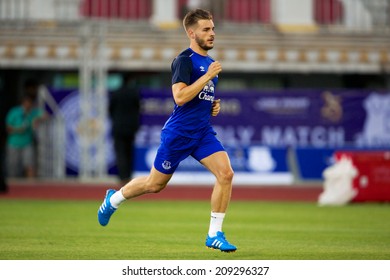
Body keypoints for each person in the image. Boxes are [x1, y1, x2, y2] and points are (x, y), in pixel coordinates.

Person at [98, 9, 237, 252]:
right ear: (191, 33)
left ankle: (214, 234)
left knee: (226, 174)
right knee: (154, 185)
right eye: (206, 29)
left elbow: (198, 97)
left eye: (213, 28)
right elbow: (180, 96)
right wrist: (208, 79)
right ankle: (114, 198)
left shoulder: (209, 64)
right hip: (179, 133)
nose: (212, 33)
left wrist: (212, 105)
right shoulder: (184, 60)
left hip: (202, 132)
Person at [109, 74, 141, 186]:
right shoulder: (134, 93)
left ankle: (122, 177)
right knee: (129, 152)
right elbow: (138, 109)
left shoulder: (116, 93)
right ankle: (128, 176)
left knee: (120, 153)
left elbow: (110, 110)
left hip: (118, 127)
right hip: (131, 127)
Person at [5, 94, 44, 178]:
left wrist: (36, 119)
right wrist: (18, 129)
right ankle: (14, 187)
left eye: (30, 103)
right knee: (13, 168)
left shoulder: (33, 112)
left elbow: (45, 116)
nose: (29, 105)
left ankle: (31, 187)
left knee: (29, 165)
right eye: (27, 103)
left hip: (27, 143)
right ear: (23, 103)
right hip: (13, 143)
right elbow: (8, 128)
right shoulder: (14, 112)